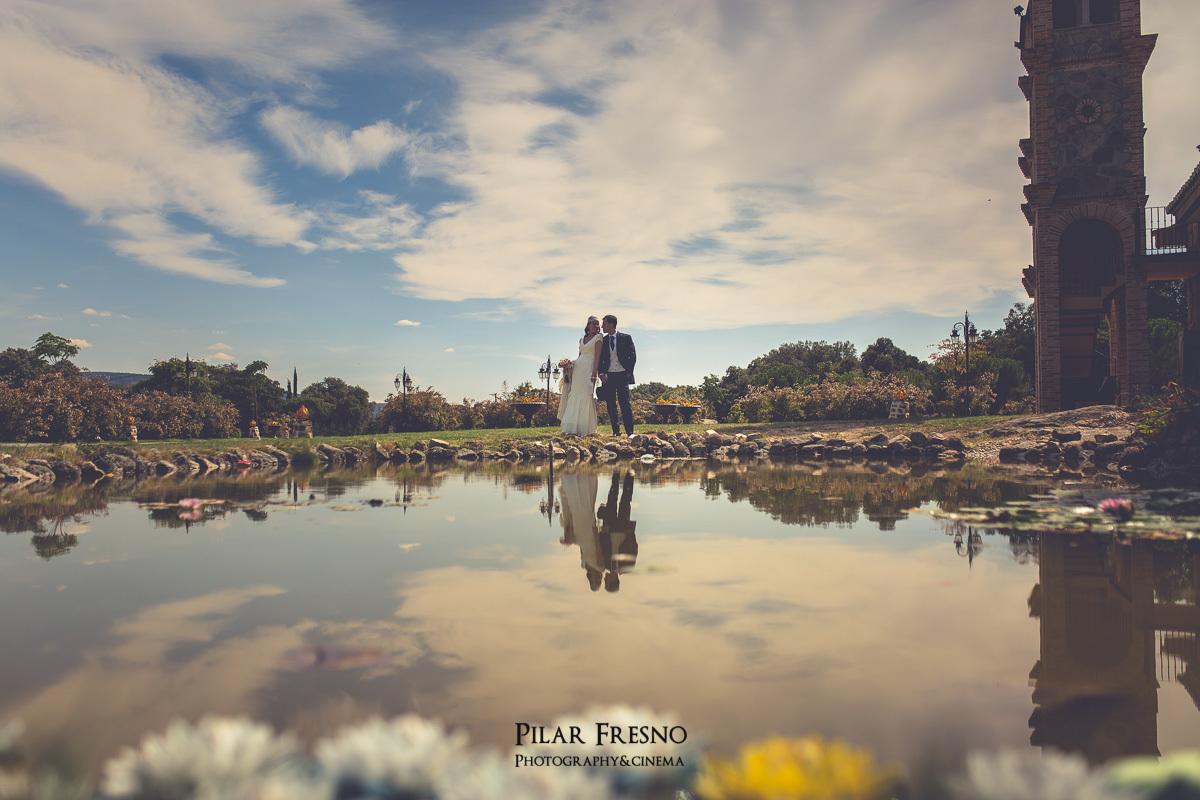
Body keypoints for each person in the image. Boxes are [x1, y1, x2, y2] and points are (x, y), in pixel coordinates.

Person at [558, 316, 603, 435]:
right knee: (575, 395)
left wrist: (594, 373)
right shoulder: (582, 339)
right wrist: (569, 364)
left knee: (586, 395)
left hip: (589, 369)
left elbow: (597, 357)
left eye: (598, 324)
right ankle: (571, 426)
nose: (596, 326)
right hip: (578, 370)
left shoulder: (598, 338)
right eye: (594, 324)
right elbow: (579, 356)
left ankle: (585, 428)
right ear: (588, 325)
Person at [597, 314, 636, 437]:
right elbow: (601, 358)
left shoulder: (626, 338)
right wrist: (601, 373)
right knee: (611, 404)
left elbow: (633, 356)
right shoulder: (603, 340)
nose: (602, 327)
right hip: (609, 376)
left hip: (623, 375)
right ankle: (616, 431)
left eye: (604, 324)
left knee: (625, 403)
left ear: (611, 324)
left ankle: (630, 432)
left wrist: (629, 371)